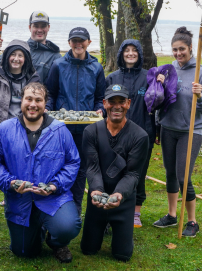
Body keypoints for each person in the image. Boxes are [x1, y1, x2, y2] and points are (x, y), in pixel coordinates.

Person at [0, 82, 82, 263]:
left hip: (53, 198)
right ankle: (36, 230)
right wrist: (9, 183)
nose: (33, 104)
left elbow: (73, 162)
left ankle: (56, 241)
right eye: (29, 99)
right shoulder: (5, 130)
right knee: (25, 252)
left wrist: (55, 185)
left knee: (68, 227)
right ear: (21, 101)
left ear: (45, 104)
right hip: (20, 200)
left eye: (38, 100)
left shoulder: (60, 130)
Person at [152, 27, 202, 237]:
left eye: (182, 49)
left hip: (190, 131)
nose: (178, 54)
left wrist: (201, 96)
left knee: (183, 176)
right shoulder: (169, 69)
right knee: (170, 173)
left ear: (191, 48)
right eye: (175, 50)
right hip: (168, 128)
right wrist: (159, 86)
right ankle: (171, 215)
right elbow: (158, 99)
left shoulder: (201, 73)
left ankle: (192, 221)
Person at [0, 39, 40, 229]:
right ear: (6, 56)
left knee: (19, 174)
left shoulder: (33, 80)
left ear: (26, 59)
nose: (16, 59)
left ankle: (20, 211)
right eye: (13, 54)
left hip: (24, 137)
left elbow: (39, 105)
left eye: (20, 55)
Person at [80, 84, 149, 261]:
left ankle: (119, 228)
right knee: (88, 249)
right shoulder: (91, 131)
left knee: (122, 255)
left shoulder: (140, 136)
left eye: (121, 102)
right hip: (97, 199)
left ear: (128, 104)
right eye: (112, 102)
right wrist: (96, 191)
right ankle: (99, 226)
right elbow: (92, 167)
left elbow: (133, 174)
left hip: (123, 201)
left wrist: (119, 195)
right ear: (104, 103)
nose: (116, 106)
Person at [45, 27, 106, 214]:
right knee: (59, 168)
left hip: (87, 130)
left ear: (88, 42)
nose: (78, 44)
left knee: (81, 170)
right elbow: (51, 94)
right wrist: (48, 109)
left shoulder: (96, 67)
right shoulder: (58, 65)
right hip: (62, 130)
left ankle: (75, 211)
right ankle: (55, 209)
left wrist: (100, 109)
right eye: (74, 40)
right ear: (69, 43)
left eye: (82, 40)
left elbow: (100, 97)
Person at [104, 39, 156, 227]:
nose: (131, 54)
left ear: (140, 54)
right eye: (127, 50)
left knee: (138, 174)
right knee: (114, 172)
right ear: (121, 54)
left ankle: (135, 212)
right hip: (115, 133)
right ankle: (111, 207)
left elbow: (159, 101)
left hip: (143, 133)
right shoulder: (112, 77)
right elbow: (104, 106)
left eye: (135, 50)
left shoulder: (148, 76)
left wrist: (161, 83)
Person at [0, 11, 61, 84]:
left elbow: (57, 87)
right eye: (36, 26)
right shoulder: (19, 48)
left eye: (43, 26)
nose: (39, 30)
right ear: (29, 27)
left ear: (48, 27)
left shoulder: (55, 57)